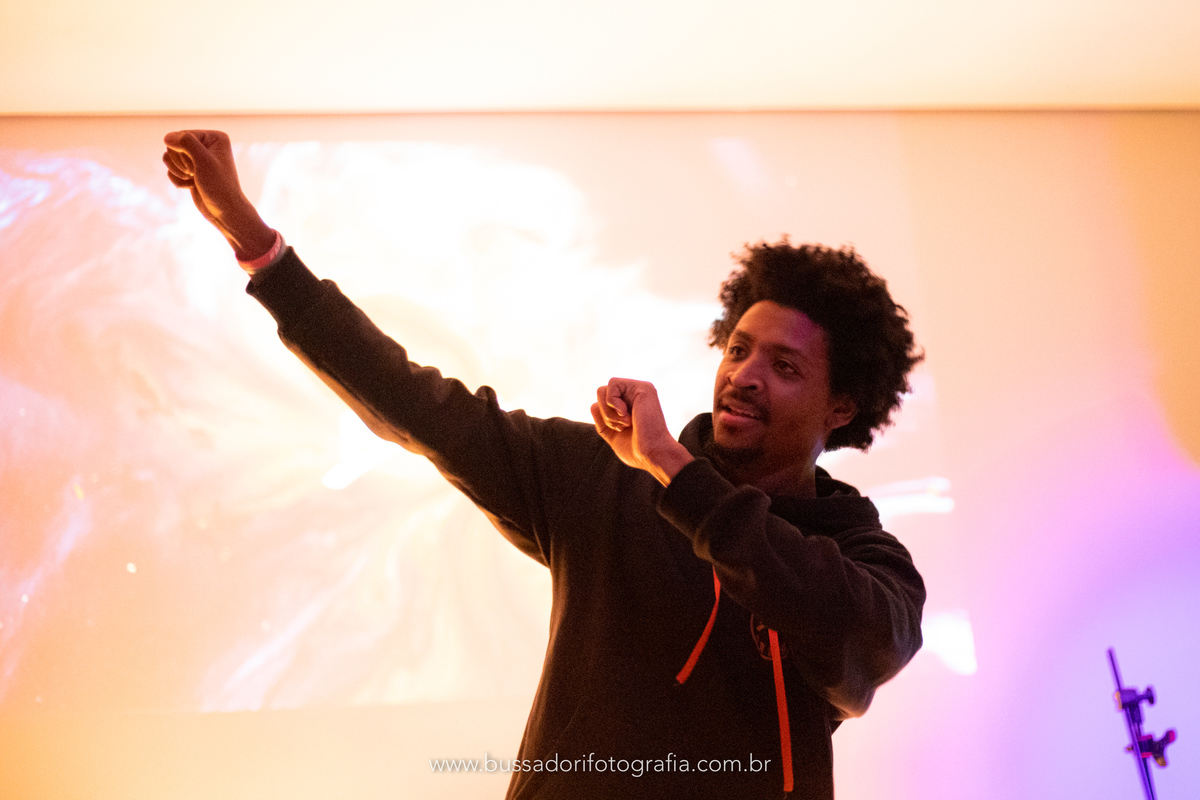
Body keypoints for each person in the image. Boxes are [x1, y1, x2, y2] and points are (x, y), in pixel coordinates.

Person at [163, 129, 926, 799]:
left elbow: (857, 644)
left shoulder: (863, 562)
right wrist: (259, 248)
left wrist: (671, 465)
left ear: (841, 406)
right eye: (738, 349)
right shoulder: (600, 479)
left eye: (785, 366)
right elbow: (416, 403)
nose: (745, 376)